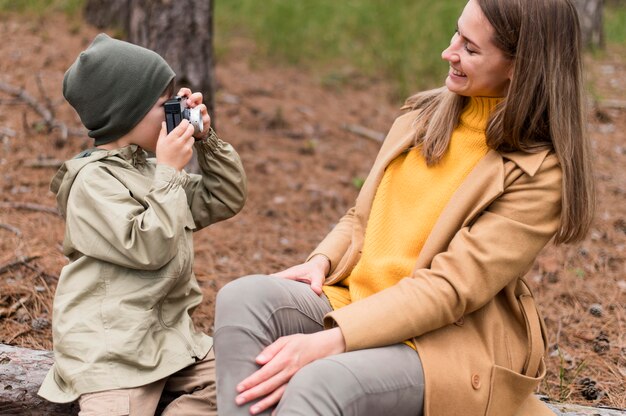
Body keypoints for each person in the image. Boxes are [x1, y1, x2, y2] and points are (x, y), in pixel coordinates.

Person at [212, 0, 595, 414]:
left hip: (441, 340)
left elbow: (449, 290)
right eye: (456, 33)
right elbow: (364, 215)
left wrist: (332, 341)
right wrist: (322, 259)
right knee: (243, 298)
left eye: (470, 48)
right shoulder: (422, 117)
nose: (449, 53)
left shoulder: (539, 173)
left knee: (322, 379)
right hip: (359, 302)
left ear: (519, 66)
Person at [37, 33, 247, 416]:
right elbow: (148, 248)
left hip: (168, 340)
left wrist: (206, 140)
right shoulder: (92, 182)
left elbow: (224, 197)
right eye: (161, 102)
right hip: (113, 349)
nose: (172, 109)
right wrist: (168, 172)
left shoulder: (148, 170)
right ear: (127, 112)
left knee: (243, 382)